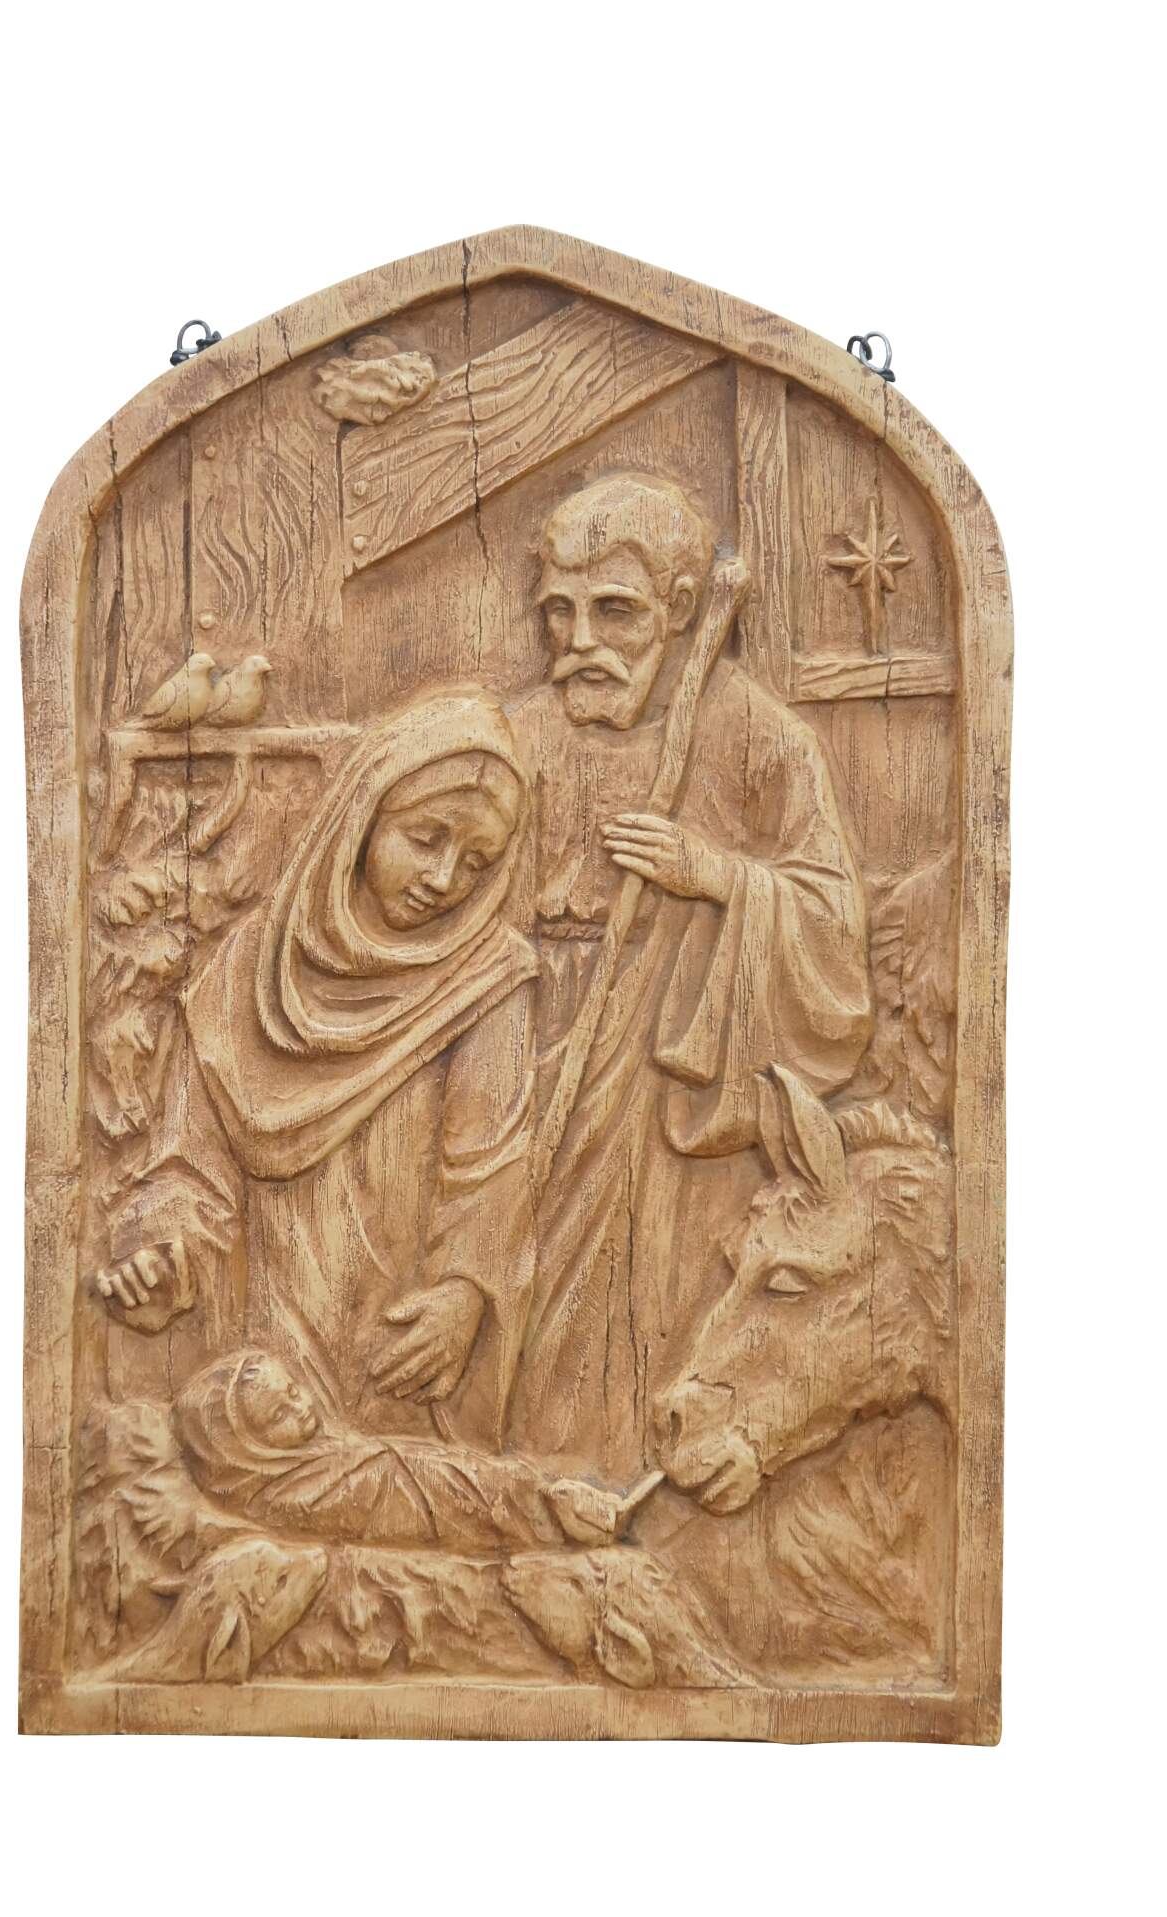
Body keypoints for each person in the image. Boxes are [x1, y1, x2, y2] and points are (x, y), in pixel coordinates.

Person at [507, 474, 874, 1480]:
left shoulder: (757, 733)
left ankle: (615, 1477)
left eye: (614, 610)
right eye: (559, 612)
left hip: (669, 1069)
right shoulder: (520, 733)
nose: (580, 640)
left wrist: (713, 875)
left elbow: (831, 921)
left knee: (639, 1299)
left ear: (678, 608)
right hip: (519, 1056)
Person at [98, 691, 539, 1452]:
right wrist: (163, 1256)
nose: (443, 878)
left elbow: (491, 1170)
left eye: (476, 862)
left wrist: (464, 1296)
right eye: (424, 837)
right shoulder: (248, 965)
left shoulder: (490, 978)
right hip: (265, 1347)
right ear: (361, 818)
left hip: (403, 1345)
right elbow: (188, 1167)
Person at [173, 1349, 629, 1554]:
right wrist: (533, 1503)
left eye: (293, 1391)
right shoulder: (297, 1496)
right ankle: (563, 1514)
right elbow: (421, 1499)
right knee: (536, 1501)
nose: (302, 1407)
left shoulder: (316, 1457)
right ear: (250, 1454)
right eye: (279, 1416)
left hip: (472, 1486)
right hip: (465, 1505)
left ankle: (562, 1505)